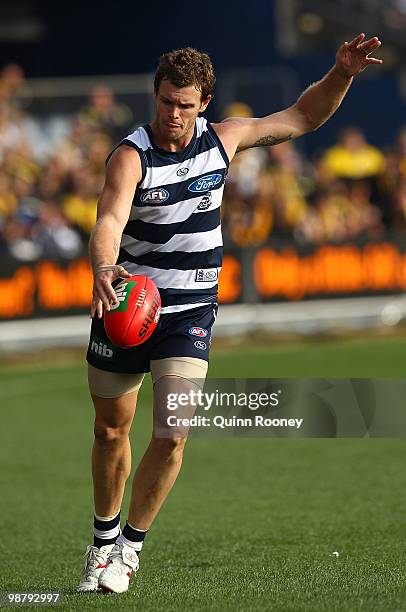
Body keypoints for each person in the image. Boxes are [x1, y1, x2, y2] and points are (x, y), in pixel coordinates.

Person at [77, 33, 382, 594]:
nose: (173, 114)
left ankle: (127, 550)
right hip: (123, 303)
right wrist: (102, 268)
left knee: (172, 432)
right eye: (166, 101)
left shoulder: (224, 141)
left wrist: (341, 74)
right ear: (156, 96)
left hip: (188, 308)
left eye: (185, 105)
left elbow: (301, 117)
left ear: (204, 104)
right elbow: (110, 220)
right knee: (108, 429)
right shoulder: (130, 155)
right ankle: (100, 538)